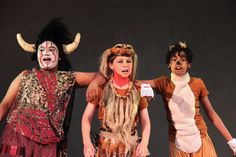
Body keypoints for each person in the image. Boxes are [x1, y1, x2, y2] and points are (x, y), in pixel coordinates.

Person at [0, 18, 102, 157]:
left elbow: (102, 76)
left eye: (52, 49)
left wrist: (95, 83)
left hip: (50, 143)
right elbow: (5, 104)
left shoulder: (69, 77)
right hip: (18, 138)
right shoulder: (25, 75)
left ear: (60, 56)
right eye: (41, 49)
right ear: (37, 55)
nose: (46, 52)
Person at [138, 41, 236, 156]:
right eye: (174, 60)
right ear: (169, 64)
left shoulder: (197, 83)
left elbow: (212, 115)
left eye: (183, 60)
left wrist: (231, 141)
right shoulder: (164, 83)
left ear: (189, 64)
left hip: (201, 138)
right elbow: (136, 83)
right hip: (177, 143)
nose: (178, 62)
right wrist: (144, 87)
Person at [81, 44, 151, 157]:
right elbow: (86, 117)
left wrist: (144, 143)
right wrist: (87, 143)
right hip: (106, 147)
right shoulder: (101, 89)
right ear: (111, 65)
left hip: (131, 146)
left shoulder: (137, 90)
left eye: (129, 61)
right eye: (120, 61)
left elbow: (146, 121)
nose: (125, 65)